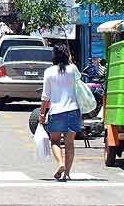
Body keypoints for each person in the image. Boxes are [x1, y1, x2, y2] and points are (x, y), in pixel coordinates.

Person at [38, 43, 81, 181]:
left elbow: (45, 96)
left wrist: (42, 114)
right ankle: (67, 173)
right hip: (73, 110)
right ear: (67, 54)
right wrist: (70, 60)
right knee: (69, 144)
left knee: (55, 141)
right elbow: (79, 81)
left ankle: (60, 163)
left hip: (56, 111)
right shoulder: (73, 69)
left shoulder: (49, 72)